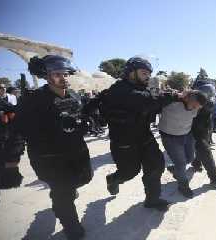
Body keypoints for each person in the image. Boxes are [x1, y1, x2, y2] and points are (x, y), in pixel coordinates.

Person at [15, 55, 93, 240]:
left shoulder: (74, 95)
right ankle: (71, 226)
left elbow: (80, 118)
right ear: (46, 76)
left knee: (81, 181)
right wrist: (12, 159)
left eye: (65, 74)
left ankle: (63, 194)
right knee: (63, 194)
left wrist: (85, 123)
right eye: (57, 74)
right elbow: (19, 129)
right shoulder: (33, 101)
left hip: (77, 153)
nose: (63, 78)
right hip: (50, 158)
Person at [101, 56, 182, 211]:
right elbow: (148, 101)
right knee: (129, 172)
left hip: (144, 136)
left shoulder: (140, 88)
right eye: (144, 73)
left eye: (148, 74)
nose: (147, 77)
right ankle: (113, 179)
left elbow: (153, 106)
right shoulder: (119, 90)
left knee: (156, 166)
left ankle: (152, 199)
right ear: (131, 73)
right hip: (124, 141)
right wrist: (171, 95)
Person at [159, 90, 207, 198]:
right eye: (194, 105)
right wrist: (173, 94)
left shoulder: (197, 107)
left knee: (190, 158)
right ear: (187, 99)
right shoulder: (171, 102)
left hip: (186, 134)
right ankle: (183, 186)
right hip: (170, 136)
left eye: (198, 107)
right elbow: (157, 97)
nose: (196, 108)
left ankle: (175, 170)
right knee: (181, 163)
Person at [190, 83, 216, 185]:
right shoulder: (194, 102)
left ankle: (196, 163)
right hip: (196, 130)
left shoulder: (210, 100)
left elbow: (212, 112)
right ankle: (214, 177)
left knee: (201, 149)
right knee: (205, 151)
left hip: (205, 128)